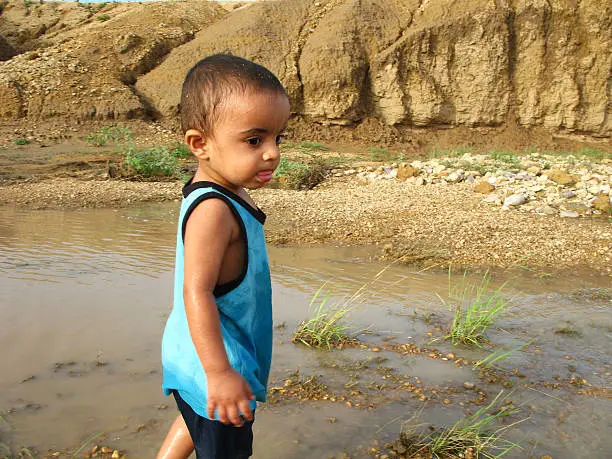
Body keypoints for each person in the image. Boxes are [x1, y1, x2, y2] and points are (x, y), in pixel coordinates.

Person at [156, 54, 290, 459]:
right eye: (254, 140)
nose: (271, 153)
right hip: (214, 361)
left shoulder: (222, 189)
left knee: (194, 419)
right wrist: (220, 373)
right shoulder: (214, 209)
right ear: (200, 145)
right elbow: (194, 291)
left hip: (194, 355)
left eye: (277, 138)